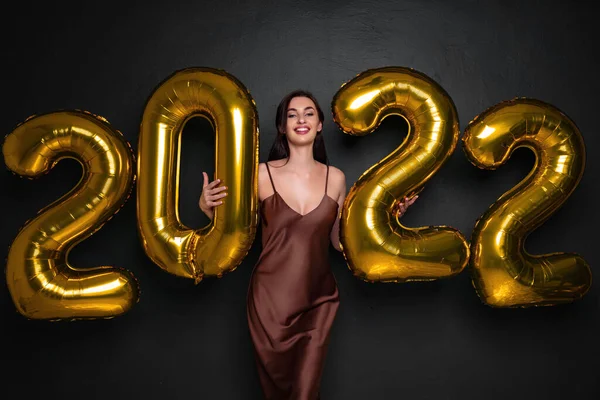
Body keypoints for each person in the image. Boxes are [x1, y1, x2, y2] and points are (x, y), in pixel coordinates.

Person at [199, 90, 417, 399]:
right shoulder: (260, 175)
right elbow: (231, 229)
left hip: (318, 300)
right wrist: (207, 207)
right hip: (269, 303)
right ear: (282, 127)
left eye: (308, 113)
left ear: (319, 125)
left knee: (305, 393)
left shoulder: (337, 179)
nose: (300, 119)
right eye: (292, 114)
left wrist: (387, 216)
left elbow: (341, 243)